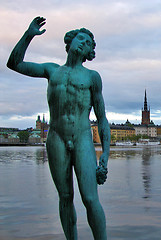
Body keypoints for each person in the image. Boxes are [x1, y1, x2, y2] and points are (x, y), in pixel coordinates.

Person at [7, 16, 110, 240]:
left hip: (82, 137)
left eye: (89, 44)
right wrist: (28, 35)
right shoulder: (52, 71)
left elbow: (102, 120)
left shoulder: (92, 77)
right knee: (65, 197)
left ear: (89, 53)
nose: (84, 43)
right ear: (71, 42)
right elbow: (14, 64)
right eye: (81, 39)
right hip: (56, 139)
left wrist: (105, 157)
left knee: (91, 199)